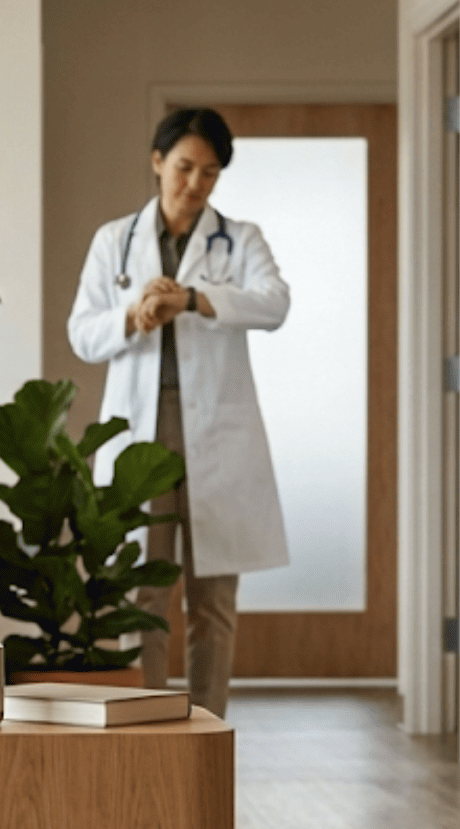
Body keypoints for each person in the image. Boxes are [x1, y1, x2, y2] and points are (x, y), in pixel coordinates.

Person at [66, 108, 291, 718]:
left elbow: (274, 304)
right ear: (158, 161)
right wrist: (130, 318)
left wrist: (191, 299)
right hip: (144, 428)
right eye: (184, 167)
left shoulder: (239, 239)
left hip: (217, 431)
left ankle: (206, 726)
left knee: (212, 598)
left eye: (210, 172)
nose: (194, 183)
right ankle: (147, 726)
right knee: (144, 589)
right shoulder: (115, 240)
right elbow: (82, 334)